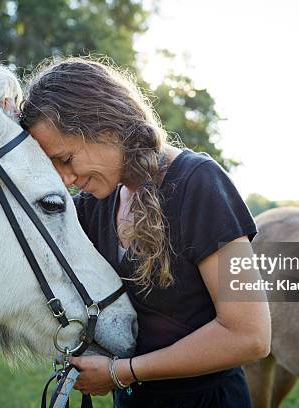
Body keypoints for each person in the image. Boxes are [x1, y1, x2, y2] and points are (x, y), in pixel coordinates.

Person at [19, 57, 271, 408]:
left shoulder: (198, 183)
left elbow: (249, 334)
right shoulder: (94, 206)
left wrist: (123, 372)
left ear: (104, 127)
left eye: (66, 159)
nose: (65, 179)